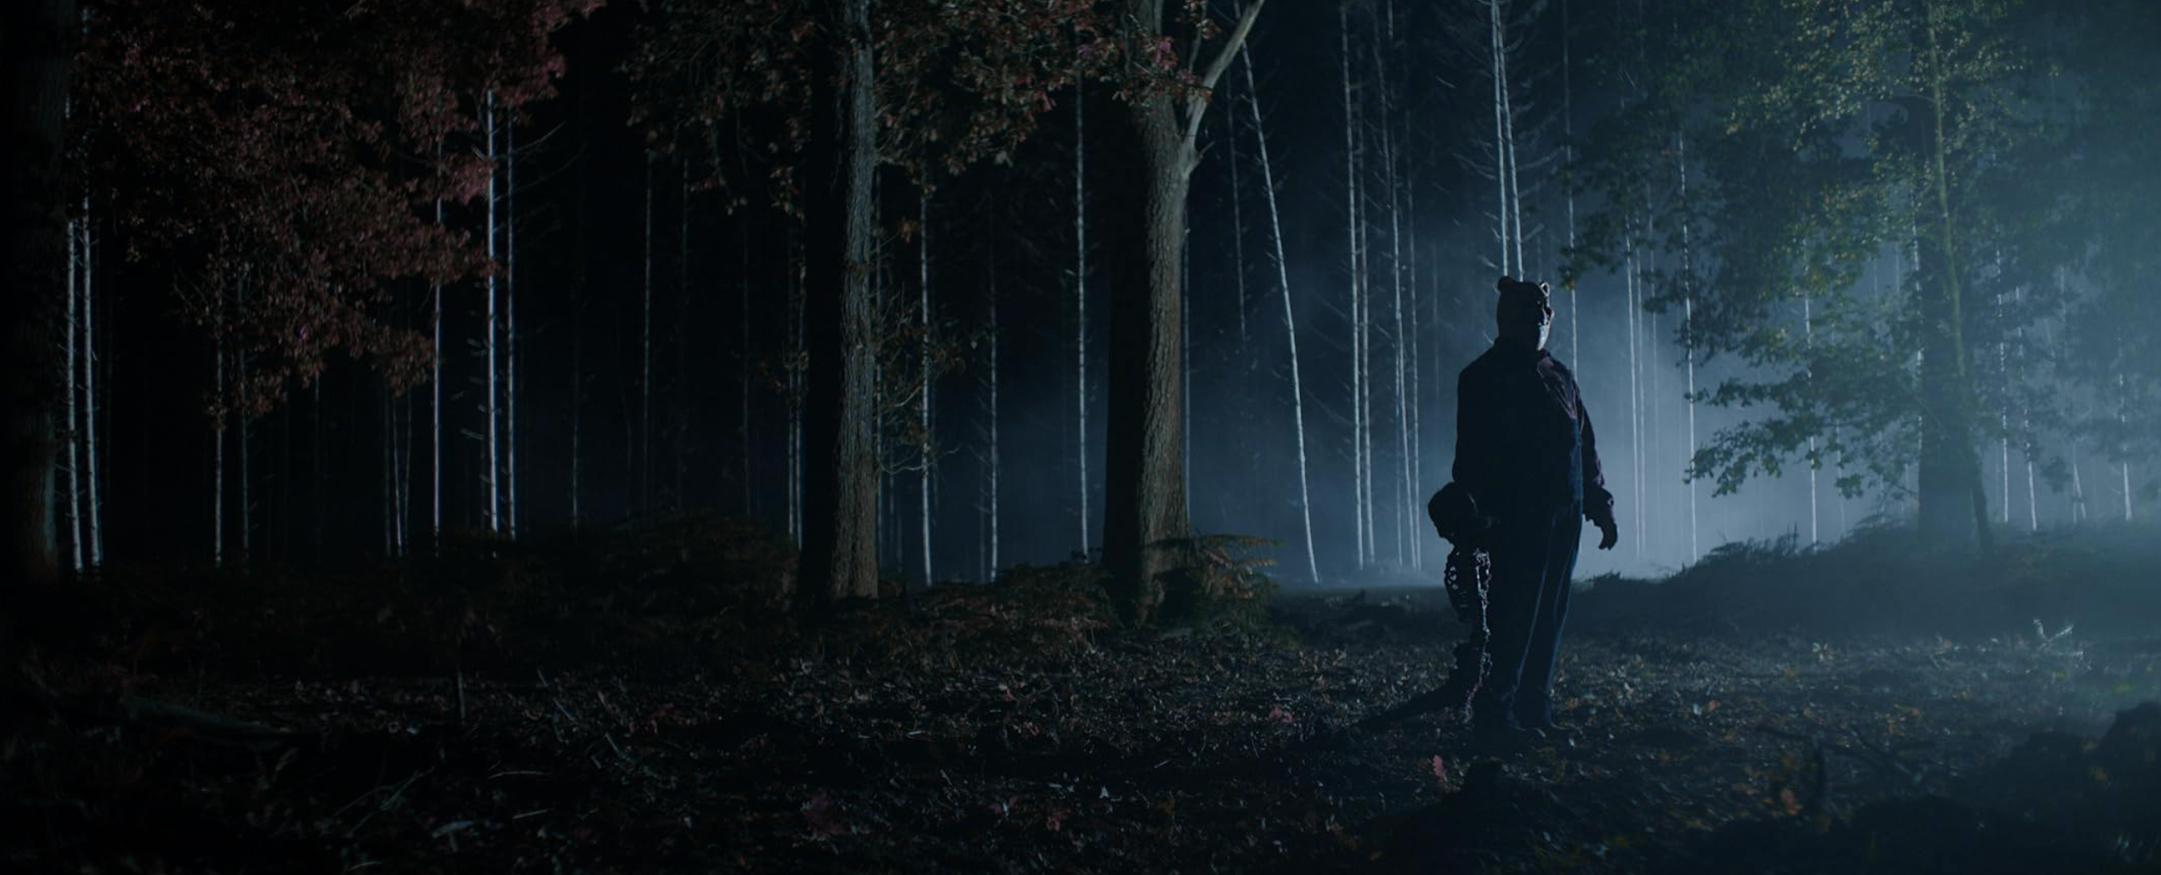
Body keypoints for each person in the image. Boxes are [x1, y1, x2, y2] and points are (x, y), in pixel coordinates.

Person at [1448, 275, 1618, 748]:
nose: (1538, 318)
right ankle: (1496, 713)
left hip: (1563, 515)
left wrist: (1598, 504)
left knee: (1549, 617)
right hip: (1515, 517)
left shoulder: (1560, 377)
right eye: (1528, 310)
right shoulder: (1483, 377)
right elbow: (1472, 453)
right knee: (1514, 616)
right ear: (1506, 317)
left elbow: (1584, 446)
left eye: (1543, 310)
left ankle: (1532, 711)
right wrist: (1474, 511)